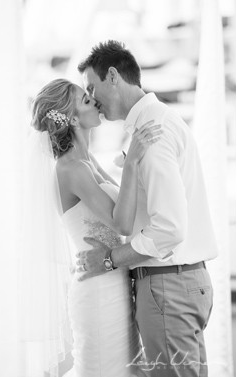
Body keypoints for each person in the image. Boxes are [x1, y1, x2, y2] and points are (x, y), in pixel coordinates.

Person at [76, 40, 217, 377]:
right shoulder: (158, 124)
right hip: (180, 284)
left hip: (169, 286)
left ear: (113, 76)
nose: (92, 98)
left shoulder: (153, 134)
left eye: (91, 87)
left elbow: (169, 229)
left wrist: (110, 259)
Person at [29, 78, 161, 376]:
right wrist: (132, 162)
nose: (95, 102)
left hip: (114, 280)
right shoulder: (71, 169)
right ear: (73, 118)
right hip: (98, 291)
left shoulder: (87, 161)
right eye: (86, 101)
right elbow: (122, 222)